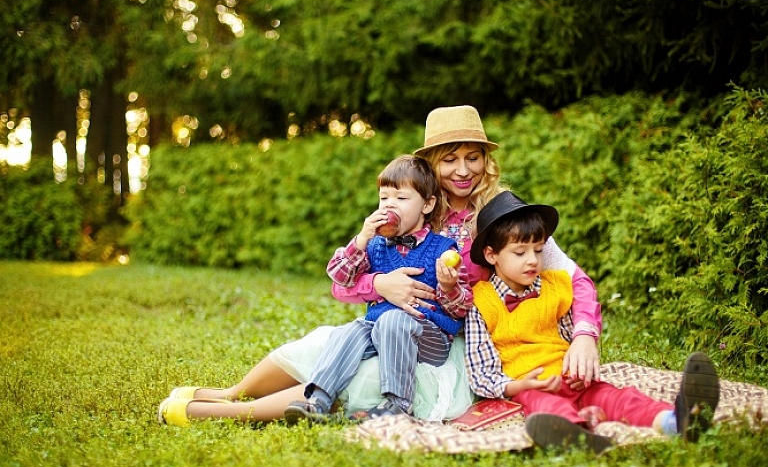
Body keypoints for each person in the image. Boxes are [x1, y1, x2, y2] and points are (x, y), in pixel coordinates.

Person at [157, 105, 601, 427]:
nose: (463, 170)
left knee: (363, 375)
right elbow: (344, 285)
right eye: (449, 158)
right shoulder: (406, 209)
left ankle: (229, 412)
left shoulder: (504, 215)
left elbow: (571, 278)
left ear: (487, 160)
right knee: (326, 345)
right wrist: (381, 284)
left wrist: (584, 335)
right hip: (389, 318)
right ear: (428, 165)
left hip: (458, 342)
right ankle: (230, 393)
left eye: (473, 157)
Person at [464, 191, 721, 453]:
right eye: (520, 252)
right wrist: (521, 385)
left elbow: (569, 337)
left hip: (571, 379)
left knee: (619, 397)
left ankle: (677, 422)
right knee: (548, 408)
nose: (533, 260)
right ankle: (577, 437)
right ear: (491, 255)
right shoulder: (481, 303)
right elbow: (482, 373)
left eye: (539, 250)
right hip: (532, 385)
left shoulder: (555, 286)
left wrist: (579, 371)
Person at [283, 155, 473, 423]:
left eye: (401, 198)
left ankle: (398, 404)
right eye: (384, 198)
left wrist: (449, 286)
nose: (389, 205)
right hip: (380, 329)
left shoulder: (443, 249)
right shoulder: (374, 245)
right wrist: (361, 239)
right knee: (350, 329)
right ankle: (318, 401)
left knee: (394, 320)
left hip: (429, 337)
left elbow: (461, 308)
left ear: (427, 205)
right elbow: (340, 276)